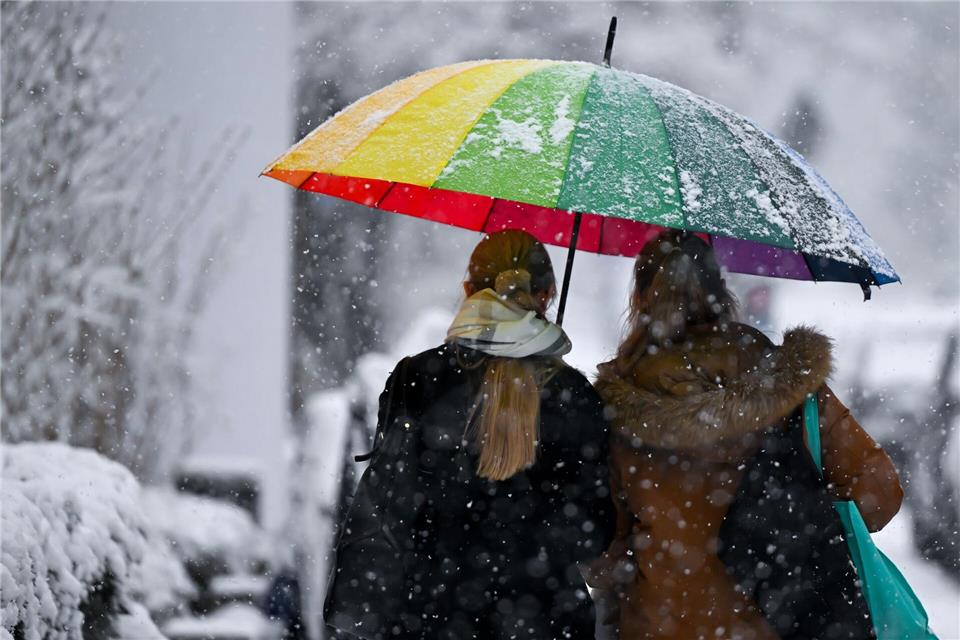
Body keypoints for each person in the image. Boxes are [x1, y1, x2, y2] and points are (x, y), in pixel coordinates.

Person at [590, 230, 903, 640]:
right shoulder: (785, 382)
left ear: (642, 297)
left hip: (658, 623)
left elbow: (600, 546)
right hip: (773, 620)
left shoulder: (616, 399)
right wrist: (802, 525)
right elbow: (880, 491)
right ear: (721, 289)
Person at [327, 229, 616, 640]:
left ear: (468, 290)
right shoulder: (573, 396)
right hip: (543, 621)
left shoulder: (418, 379)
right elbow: (593, 535)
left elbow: (388, 506)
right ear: (547, 294)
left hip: (429, 616)